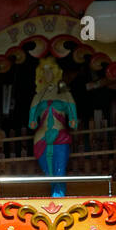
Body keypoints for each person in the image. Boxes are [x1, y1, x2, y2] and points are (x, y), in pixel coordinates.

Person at [28, 58, 78, 198]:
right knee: (50, 175)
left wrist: (72, 118)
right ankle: (55, 201)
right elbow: (31, 122)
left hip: (60, 136)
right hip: (41, 138)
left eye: (50, 69)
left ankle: (58, 200)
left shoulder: (65, 94)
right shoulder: (38, 96)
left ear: (56, 71)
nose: (47, 73)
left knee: (60, 172)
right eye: (44, 70)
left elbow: (73, 120)